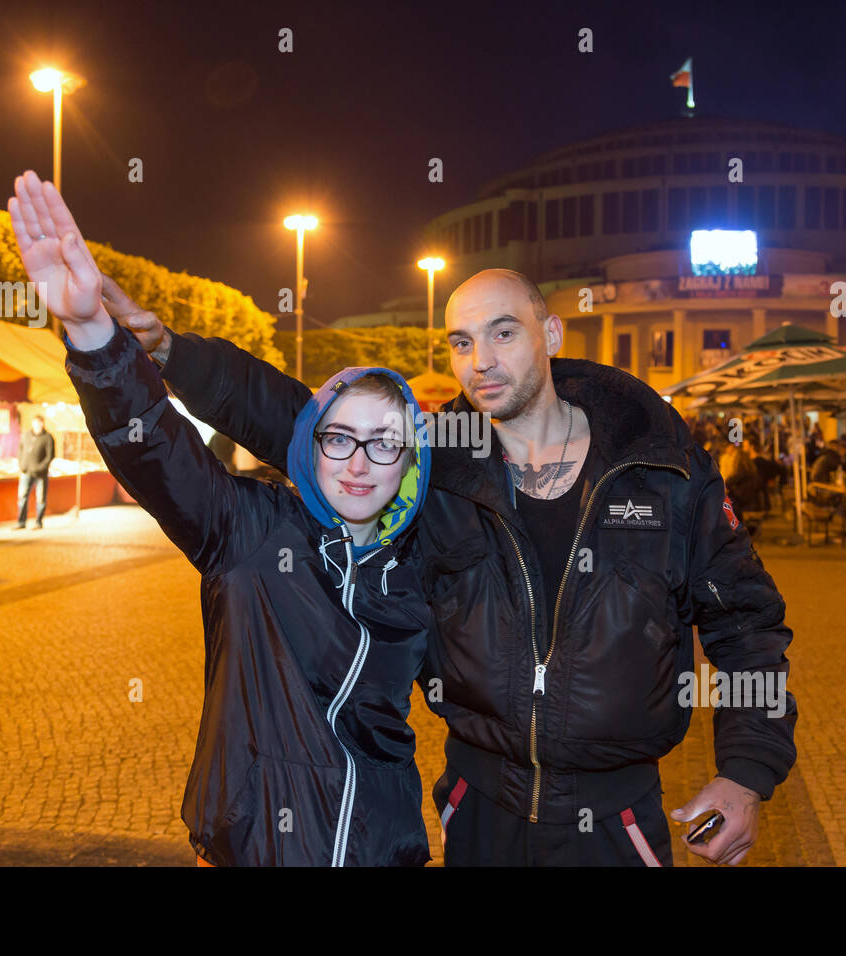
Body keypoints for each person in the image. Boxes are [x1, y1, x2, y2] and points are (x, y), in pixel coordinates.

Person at [118, 265, 797, 865]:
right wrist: (177, 356)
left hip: (615, 819)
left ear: (552, 334)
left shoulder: (661, 470)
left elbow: (747, 625)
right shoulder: (435, 463)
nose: (482, 362)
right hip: (478, 810)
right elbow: (307, 420)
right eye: (462, 342)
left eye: (504, 333)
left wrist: (746, 772)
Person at [9, 172, 434, 866]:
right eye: (339, 437)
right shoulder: (254, 533)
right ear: (309, 447)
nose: (359, 461)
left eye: (384, 442)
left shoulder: (423, 569)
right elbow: (154, 446)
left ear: (408, 461)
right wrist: (94, 334)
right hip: (256, 848)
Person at [16, 415, 55, 530]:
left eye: (39, 423)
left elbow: (50, 456)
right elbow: (20, 450)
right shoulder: (26, 435)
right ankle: (21, 522)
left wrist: (40, 468)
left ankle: (39, 522)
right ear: (33, 424)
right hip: (26, 471)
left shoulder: (48, 437)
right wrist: (22, 464)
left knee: (41, 498)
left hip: (41, 474)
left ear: (42, 424)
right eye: (35, 423)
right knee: (22, 497)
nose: (37, 425)